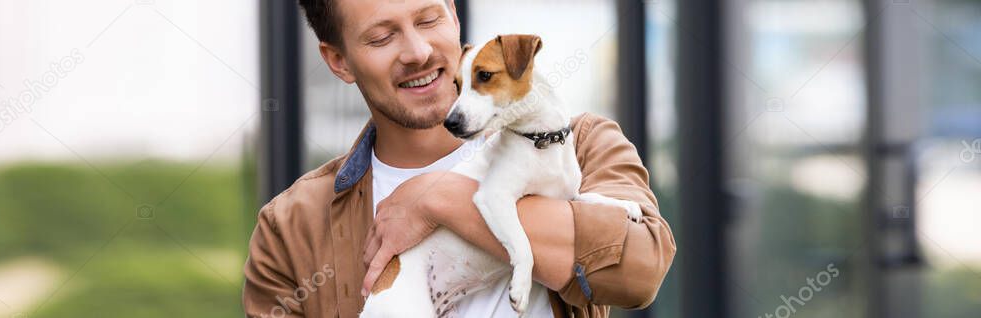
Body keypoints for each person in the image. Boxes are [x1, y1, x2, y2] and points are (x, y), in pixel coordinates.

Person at [242, 0, 676, 317]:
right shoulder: (291, 228)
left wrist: (438, 198)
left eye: (429, 19)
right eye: (381, 36)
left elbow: (640, 268)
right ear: (339, 61)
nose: (417, 51)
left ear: (453, 13)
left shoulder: (579, 142)